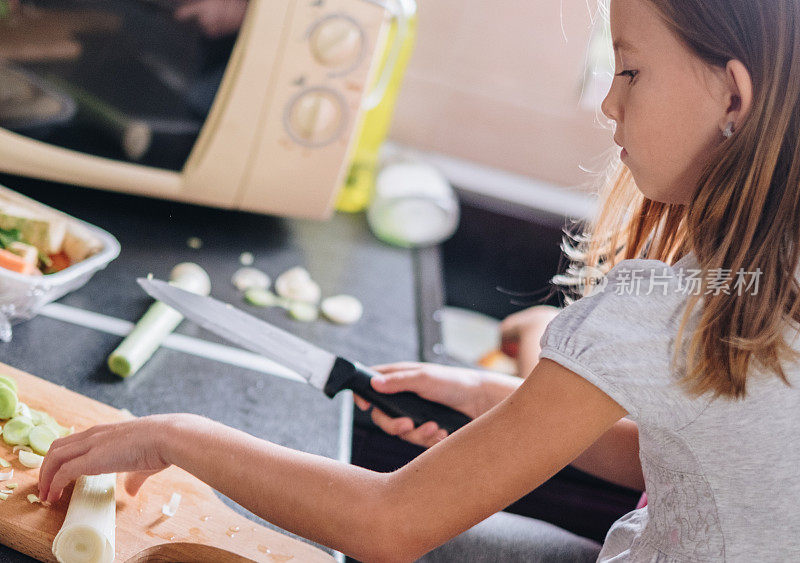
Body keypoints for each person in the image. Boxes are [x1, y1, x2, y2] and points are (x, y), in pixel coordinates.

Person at [38, 0, 800, 560]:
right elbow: (695, 454)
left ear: (734, 96)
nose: (609, 101)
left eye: (631, 69)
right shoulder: (770, 280)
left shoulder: (662, 307)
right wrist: (492, 401)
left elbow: (389, 523)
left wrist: (178, 436)